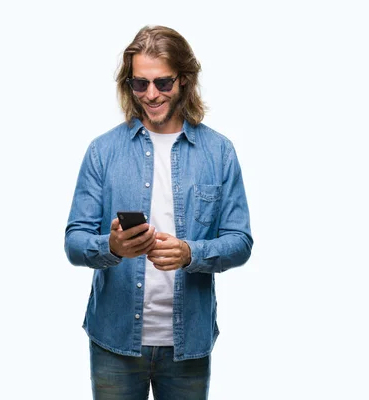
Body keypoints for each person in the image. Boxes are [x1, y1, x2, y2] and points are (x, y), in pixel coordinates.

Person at [64, 25, 253, 399]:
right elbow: (74, 242)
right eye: (140, 84)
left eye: (163, 83)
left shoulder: (220, 152)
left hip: (188, 344)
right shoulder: (103, 151)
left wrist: (191, 253)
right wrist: (113, 246)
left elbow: (240, 241)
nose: (151, 95)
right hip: (114, 339)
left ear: (183, 80)